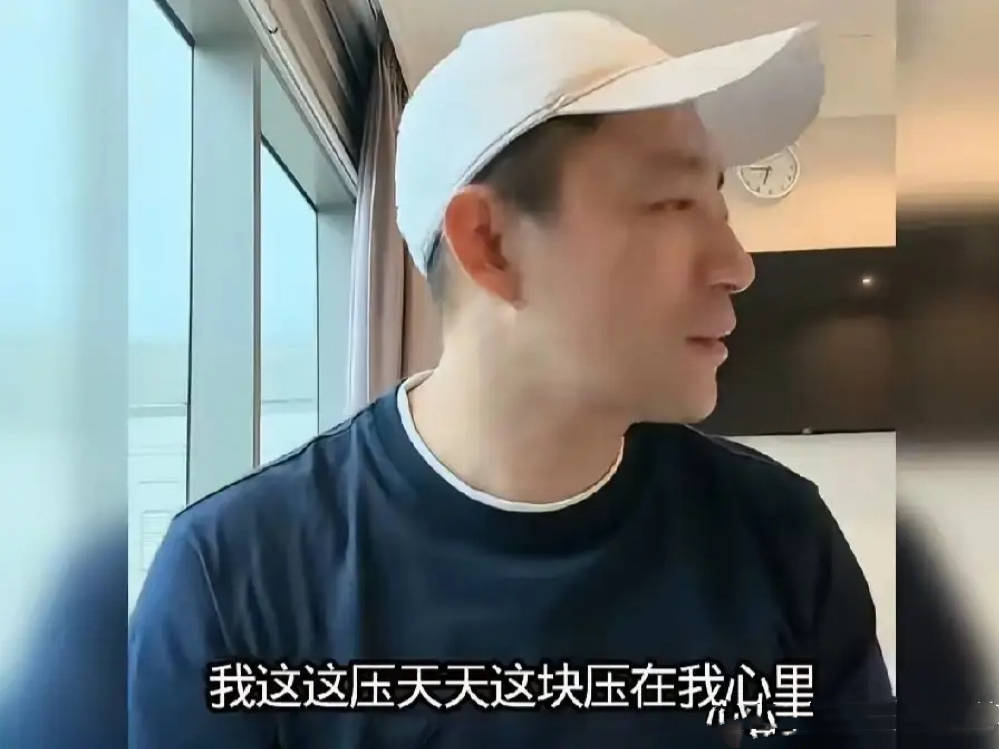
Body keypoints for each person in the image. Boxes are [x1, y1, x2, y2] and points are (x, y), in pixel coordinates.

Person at [130, 11, 893, 748]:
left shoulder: (780, 538)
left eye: (718, 205)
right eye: (672, 202)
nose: (736, 265)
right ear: (491, 243)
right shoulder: (234, 583)